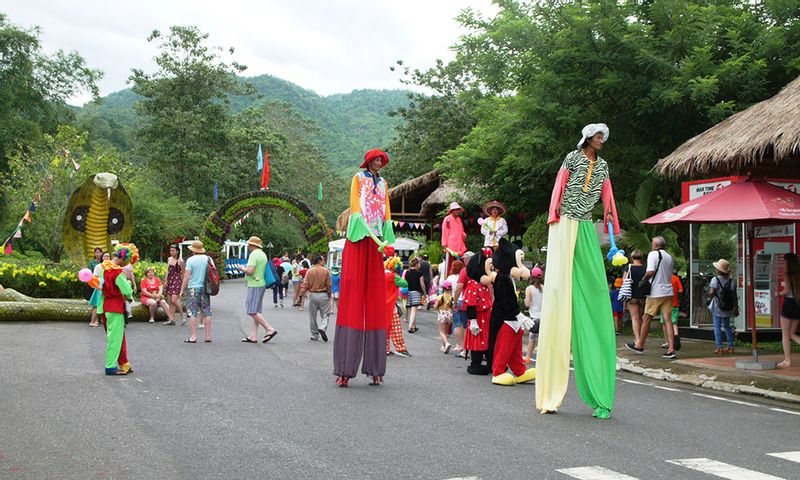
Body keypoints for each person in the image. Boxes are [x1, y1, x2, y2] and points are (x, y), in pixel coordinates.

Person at [537, 123, 619, 418]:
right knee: (559, 290)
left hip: (584, 223)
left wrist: (610, 221)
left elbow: (607, 196)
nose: (601, 141)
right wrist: (554, 214)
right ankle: (549, 393)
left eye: (603, 138)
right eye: (598, 136)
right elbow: (560, 185)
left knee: (596, 291)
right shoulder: (572, 158)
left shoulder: (604, 166)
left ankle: (600, 394)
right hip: (564, 222)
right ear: (587, 138)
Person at [333, 148, 395, 387]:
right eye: (377, 159)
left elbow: (387, 212)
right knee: (354, 298)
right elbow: (356, 209)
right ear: (369, 161)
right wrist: (369, 232)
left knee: (375, 300)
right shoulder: (358, 179)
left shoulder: (384, 184)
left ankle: (375, 369)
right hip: (360, 238)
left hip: (377, 241)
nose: (380, 163)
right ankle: (345, 370)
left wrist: (386, 240)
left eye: (382, 160)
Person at [488, 239, 535, 385]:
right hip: (505, 319)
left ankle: (519, 371)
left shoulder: (507, 278)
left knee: (515, 347)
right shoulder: (502, 279)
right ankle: (498, 371)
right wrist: (519, 315)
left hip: (512, 318)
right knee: (505, 346)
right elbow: (505, 300)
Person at [626, 236, 676, 358]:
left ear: (655, 245)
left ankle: (639, 344)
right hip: (668, 291)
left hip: (656, 292)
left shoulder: (653, 255)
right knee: (668, 319)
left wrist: (644, 280)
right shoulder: (669, 257)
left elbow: (651, 271)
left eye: (653, 243)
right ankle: (671, 349)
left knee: (647, 318)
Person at [100, 243, 139, 375]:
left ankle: (124, 364)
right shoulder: (117, 272)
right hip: (116, 305)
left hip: (106, 305)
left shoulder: (103, 267)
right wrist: (128, 286)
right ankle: (110, 366)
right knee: (115, 338)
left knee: (118, 337)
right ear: (123, 259)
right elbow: (127, 291)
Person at [240, 236, 277, 344]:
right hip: (261, 283)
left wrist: (242, 268)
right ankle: (253, 335)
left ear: (252, 245)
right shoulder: (262, 254)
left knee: (251, 310)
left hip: (254, 283)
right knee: (255, 310)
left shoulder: (254, 255)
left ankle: (269, 329)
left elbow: (250, 271)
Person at [463, 248, 494, 374]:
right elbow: (470, 304)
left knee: (488, 340)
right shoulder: (473, 285)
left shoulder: (484, 285)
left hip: (487, 317)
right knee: (478, 340)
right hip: (478, 317)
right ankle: (475, 364)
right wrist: (473, 320)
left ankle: (491, 363)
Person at [180, 240, 214, 343]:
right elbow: (213, 272)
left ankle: (193, 336)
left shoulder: (190, 260)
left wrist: (182, 290)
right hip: (205, 288)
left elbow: (186, 276)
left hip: (193, 288)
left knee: (192, 312)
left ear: (193, 250)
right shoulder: (208, 259)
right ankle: (208, 336)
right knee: (207, 311)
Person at [384, 250, 411, 357]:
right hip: (390, 306)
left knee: (383, 328)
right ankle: (401, 348)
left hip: (379, 306)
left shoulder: (380, 273)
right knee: (395, 328)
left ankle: (384, 349)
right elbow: (405, 283)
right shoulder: (393, 276)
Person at [778, 253, 800, 367]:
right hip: (798, 304)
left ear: (788, 262)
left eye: (784, 261)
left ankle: (787, 360)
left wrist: (777, 293)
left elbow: (786, 290)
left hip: (788, 304)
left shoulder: (787, 274)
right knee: (791, 333)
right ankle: (787, 360)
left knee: (785, 333)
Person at [304, 254, 332, 342]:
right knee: (326, 314)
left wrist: (301, 295)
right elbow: (329, 284)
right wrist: (329, 294)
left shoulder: (309, 271)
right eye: (323, 260)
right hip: (323, 294)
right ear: (320, 261)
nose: (324, 262)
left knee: (312, 316)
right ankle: (323, 327)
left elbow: (305, 284)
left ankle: (315, 335)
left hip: (312, 294)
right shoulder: (326, 271)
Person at [451, 254, 472, 357]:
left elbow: (459, 287)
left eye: (464, 259)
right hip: (481, 303)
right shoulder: (481, 270)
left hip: (466, 301)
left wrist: (454, 301)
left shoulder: (465, 271)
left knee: (465, 326)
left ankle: (465, 349)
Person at [624, 250, 647, 346]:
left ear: (632, 257)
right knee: (641, 318)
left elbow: (624, 280)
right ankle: (641, 339)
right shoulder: (645, 268)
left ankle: (637, 339)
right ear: (641, 257)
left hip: (631, 295)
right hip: (642, 296)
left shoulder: (628, 267)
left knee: (634, 317)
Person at [523, 267, 544, 365]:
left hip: (534, 318)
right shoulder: (544, 288)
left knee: (532, 339)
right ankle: (542, 359)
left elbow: (527, 303)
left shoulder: (529, 289)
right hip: (543, 318)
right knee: (542, 339)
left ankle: (528, 357)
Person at [441, 202, 467, 272]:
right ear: (452, 211)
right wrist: (444, 244)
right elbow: (444, 231)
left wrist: (463, 235)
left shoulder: (459, 219)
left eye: (458, 209)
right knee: (451, 263)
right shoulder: (447, 219)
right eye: (456, 209)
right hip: (451, 245)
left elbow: (461, 230)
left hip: (459, 243)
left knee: (461, 262)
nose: (457, 211)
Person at [164, 245, 186, 325]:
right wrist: (166, 280)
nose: (171, 252)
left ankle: (182, 316)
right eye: (171, 251)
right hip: (170, 280)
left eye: (173, 251)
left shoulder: (180, 261)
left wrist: (183, 285)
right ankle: (172, 319)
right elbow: (168, 270)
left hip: (177, 280)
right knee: (170, 301)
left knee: (174, 300)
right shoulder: (169, 259)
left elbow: (183, 273)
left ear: (177, 251)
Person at [404, 258, 426, 333]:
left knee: (411, 309)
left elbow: (405, 282)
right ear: (416, 264)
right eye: (419, 263)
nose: (419, 265)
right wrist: (425, 293)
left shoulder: (407, 272)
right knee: (414, 310)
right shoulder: (419, 273)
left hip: (409, 292)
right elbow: (422, 285)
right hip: (416, 292)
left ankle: (414, 326)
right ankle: (410, 327)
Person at [663, 271, 684, 350]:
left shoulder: (664, 278)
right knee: (674, 323)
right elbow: (681, 290)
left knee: (665, 323)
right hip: (675, 303)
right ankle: (676, 339)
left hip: (664, 304)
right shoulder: (676, 278)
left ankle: (667, 342)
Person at [88, 251, 109, 327]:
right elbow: (94, 277)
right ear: (102, 258)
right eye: (105, 256)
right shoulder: (98, 266)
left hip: (108, 288)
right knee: (97, 305)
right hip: (100, 287)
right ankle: (93, 321)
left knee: (105, 304)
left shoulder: (111, 266)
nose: (106, 258)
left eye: (108, 256)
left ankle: (102, 319)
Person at [435, 280, 454, 353]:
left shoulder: (440, 296)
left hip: (442, 315)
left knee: (441, 332)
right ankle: (444, 346)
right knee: (445, 332)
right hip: (449, 315)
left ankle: (446, 343)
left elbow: (435, 306)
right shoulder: (452, 297)